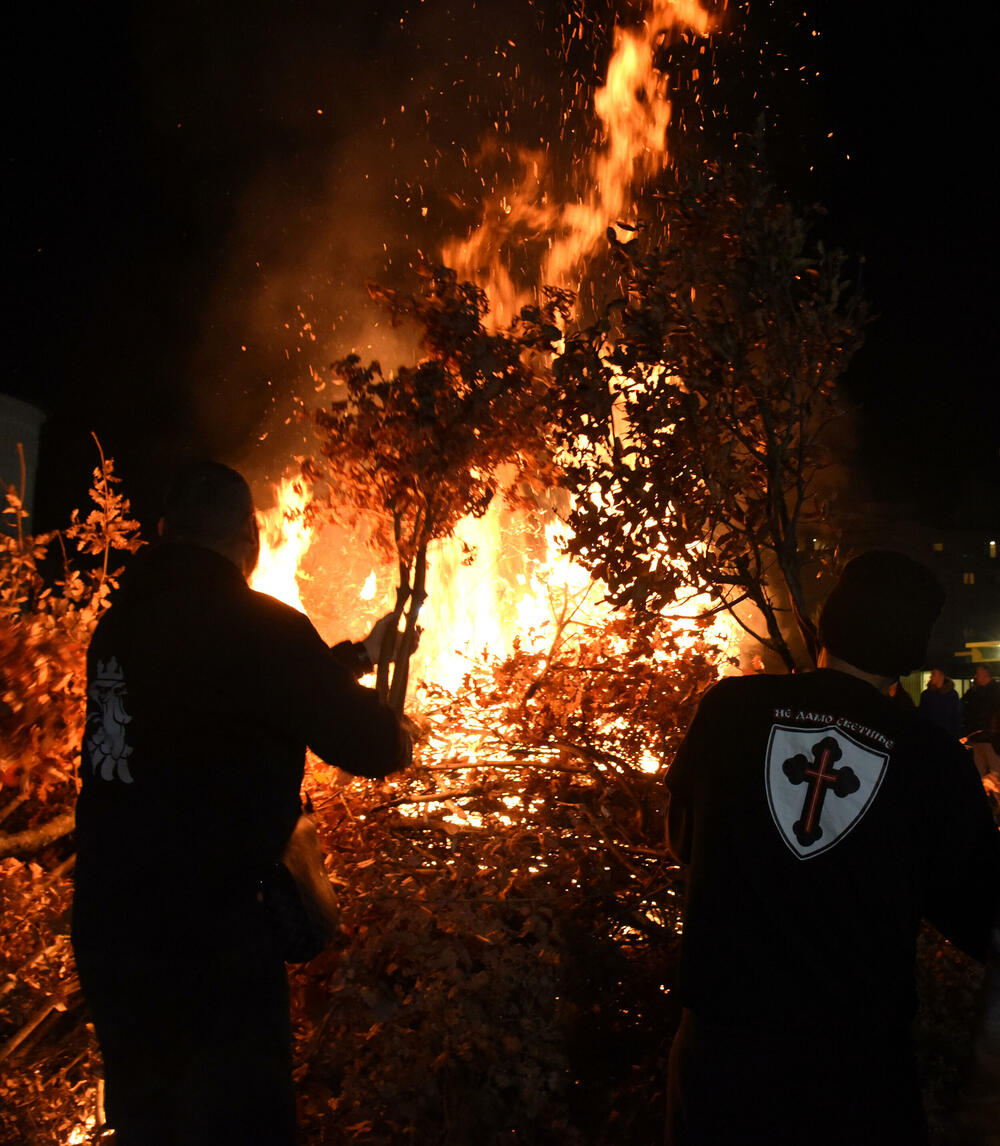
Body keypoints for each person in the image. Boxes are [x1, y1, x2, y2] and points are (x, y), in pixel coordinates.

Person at [72, 461, 411, 1146]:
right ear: (251, 539)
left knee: (149, 1123)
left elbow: (221, 695)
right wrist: (397, 724)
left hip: (114, 933)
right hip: (210, 946)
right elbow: (374, 748)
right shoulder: (259, 628)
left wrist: (357, 656)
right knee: (241, 1124)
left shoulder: (120, 629)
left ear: (165, 536)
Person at [664, 550, 1000, 1146]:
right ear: (912, 650)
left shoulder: (728, 712)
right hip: (856, 1079)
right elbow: (984, 916)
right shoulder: (934, 762)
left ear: (827, 622)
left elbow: (684, 840)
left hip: (721, 1062)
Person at [963, 664, 1000, 778]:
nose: (975, 676)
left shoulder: (996, 691)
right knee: (981, 773)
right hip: (979, 738)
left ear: (985, 674)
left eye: (978, 673)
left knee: (994, 774)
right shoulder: (974, 692)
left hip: (991, 740)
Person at [919, 666, 964, 738]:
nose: (930, 677)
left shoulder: (952, 695)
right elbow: (922, 716)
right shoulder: (926, 695)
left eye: (933, 674)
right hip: (930, 736)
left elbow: (956, 717)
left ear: (941, 676)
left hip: (947, 735)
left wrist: (956, 736)